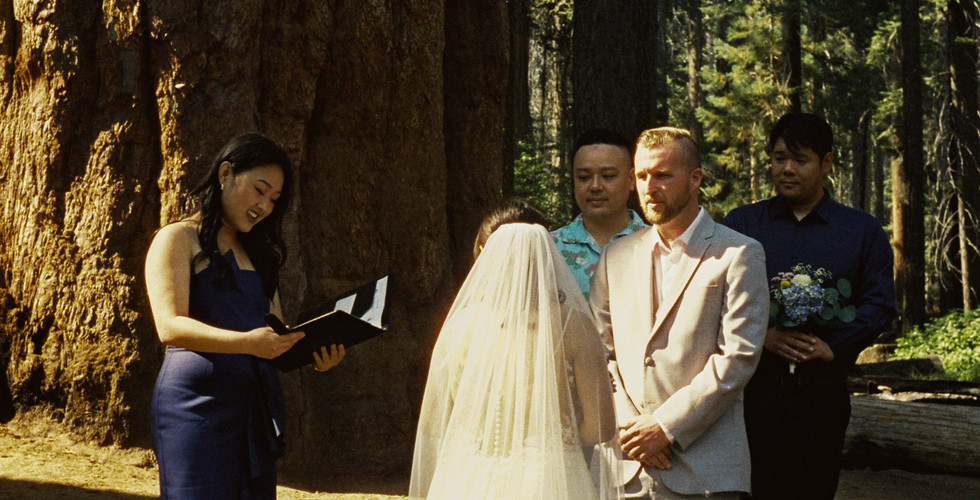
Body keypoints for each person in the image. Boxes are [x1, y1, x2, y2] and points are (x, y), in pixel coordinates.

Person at [145, 133, 346, 498]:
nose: (265, 205)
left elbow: (275, 336)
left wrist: (316, 355)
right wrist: (246, 344)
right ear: (225, 173)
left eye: (274, 199)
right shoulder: (177, 238)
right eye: (259, 189)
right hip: (194, 408)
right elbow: (169, 326)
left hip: (253, 408)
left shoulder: (261, 256)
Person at [722, 113, 896, 500]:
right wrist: (761, 336)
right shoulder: (743, 224)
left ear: (827, 162)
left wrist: (834, 346)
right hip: (752, 397)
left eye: (800, 160)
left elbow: (880, 304)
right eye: (779, 157)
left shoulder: (860, 230)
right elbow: (714, 299)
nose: (787, 169)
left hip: (822, 396)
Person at [590, 127, 769, 499]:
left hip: (706, 470)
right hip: (626, 467)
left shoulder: (739, 253)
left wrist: (666, 426)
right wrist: (632, 428)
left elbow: (738, 358)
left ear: (695, 179)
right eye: (641, 176)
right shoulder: (615, 255)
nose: (649, 187)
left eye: (662, 175)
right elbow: (599, 353)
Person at [410, 201, 622, 500]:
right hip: (552, 477)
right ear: (546, 256)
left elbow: (433, 426)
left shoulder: (459, 327)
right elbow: (601, 427)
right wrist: (557, 440)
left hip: (469, 477)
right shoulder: (573, 325)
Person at [552, 129, 648, 300]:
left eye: (608, 176)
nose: (595, 186)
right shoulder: (550, 248)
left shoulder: (658, 246)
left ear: (632, 180)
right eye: (584, 177)